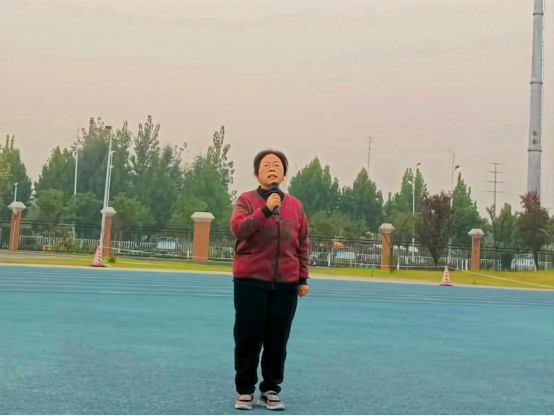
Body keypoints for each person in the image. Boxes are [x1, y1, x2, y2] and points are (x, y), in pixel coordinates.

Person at [231, 150, 310, 411]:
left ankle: (270, 389)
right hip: (250, 281)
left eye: (277, 165)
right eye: (266, 165)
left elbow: (302, 243)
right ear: (257, 174)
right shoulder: (245, 200)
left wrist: (302, 277)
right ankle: (245, 390)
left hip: (286, 284)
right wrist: (265, 210)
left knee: (277, 339)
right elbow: (239, 229)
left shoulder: (295, 206)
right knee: (248, 338)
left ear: (284, 174)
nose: (272, 168)